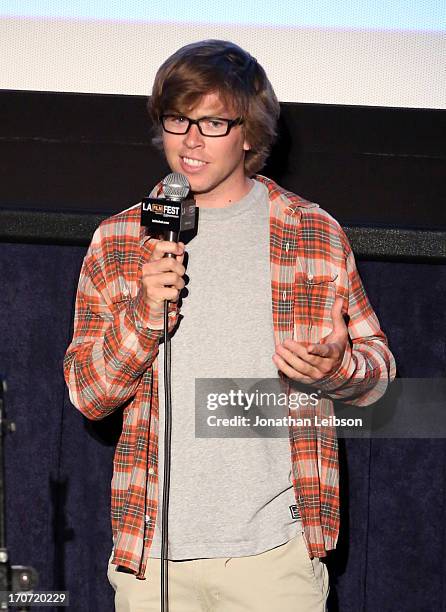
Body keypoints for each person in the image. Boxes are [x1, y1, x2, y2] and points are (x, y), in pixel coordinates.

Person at [63, 39, 396, 612]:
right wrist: (143, 316)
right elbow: (88, 395)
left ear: (249, 134)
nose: (190, 140)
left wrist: (338, 369)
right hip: (154, 561)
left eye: (212, 122)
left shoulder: (312, 232)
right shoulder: (119, 240)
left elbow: (381, 381)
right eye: (177, 119)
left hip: (277, 557)